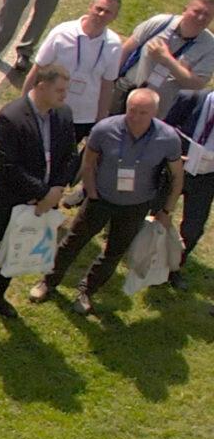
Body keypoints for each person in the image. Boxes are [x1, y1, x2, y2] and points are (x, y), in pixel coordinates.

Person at [0, 64, 80, 327]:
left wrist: (56, 190)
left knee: (16, 248)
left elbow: (70, 156)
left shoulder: (63, 114)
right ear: (41, 86)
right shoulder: (10, 117)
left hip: (42, 202)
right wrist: (43, 192)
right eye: (60, 90)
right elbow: (9, 167)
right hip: (8, 198)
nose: (64, 96)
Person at [35, 86, 186, 315]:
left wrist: (167, 210)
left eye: (143, 112)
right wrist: (92, 192)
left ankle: (87, 291)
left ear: (155, 112)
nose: (135, 117)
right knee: (73, 242)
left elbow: (177, 176)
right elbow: (88, 162)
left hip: (137, 205)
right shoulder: (105, 129)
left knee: (114, 252)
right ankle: (48, 281)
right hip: (101, 199)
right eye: (132, 110)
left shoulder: (168, 138)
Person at [30, 0, 124, 134]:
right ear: (90, 6)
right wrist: (25, 105)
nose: (101, 14)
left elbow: (107, 85)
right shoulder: (62, 32)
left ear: (115, 16)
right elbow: (38, 68)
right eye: (99, 9)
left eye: (108, 12)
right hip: (50, 107)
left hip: (83, 116)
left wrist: (99, 122)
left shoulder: (114, 44)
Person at [163, 83, 214, 287]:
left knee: (193, 229)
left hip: (206, 178)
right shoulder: (189, 98)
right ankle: (142, 255)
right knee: (155, 212)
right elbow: (165, 131)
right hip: (178, 167)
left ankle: (174, 267)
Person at [120, 0, 214, 98]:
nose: (200, 18)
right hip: (126, 91)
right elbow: (126, 50)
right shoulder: (160, 23)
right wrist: (110, 78)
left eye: (207, 15)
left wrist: (167, 59)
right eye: (197, 11)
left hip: (161, 106)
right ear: (185, 10)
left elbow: (197, 85)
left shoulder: (210, 46)